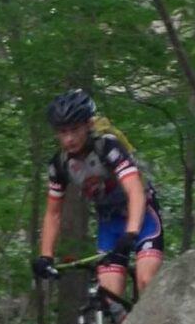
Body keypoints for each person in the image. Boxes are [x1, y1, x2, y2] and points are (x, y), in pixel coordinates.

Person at [31, 89, 164, 299]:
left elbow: (135, 191)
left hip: (142, 218)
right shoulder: (60, 165)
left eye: (75, 130)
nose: (69, 139)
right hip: (109, 224)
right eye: (63, 132)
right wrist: (45, 255)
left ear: (88, 125)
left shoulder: (108, 147)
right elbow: (53, 213)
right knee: (109, 297)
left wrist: (131, 232)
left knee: (146, 281)